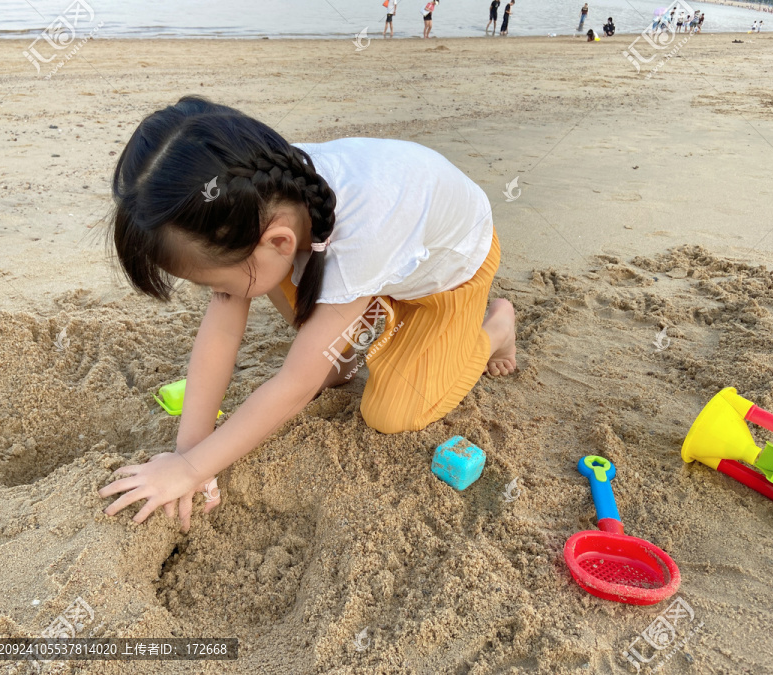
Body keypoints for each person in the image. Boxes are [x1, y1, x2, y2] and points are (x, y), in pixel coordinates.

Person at [98, 96, 516, 530]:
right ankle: (363, 310)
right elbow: (222, 329)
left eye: (214, 284)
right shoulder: (249, 190)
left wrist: (190, 471)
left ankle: (497, 327)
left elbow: (297, 384)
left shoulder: (358, 230)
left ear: (279, 243)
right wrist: (190, 450)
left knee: (393, 415)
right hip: (375, 264)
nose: (215, 295)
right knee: (329, 366)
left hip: (446, 278)